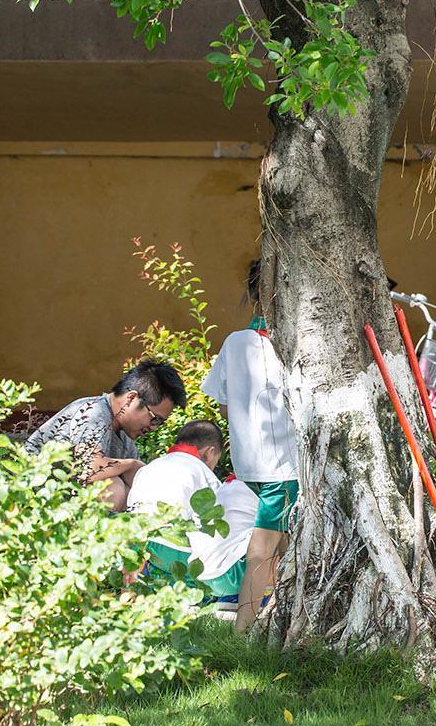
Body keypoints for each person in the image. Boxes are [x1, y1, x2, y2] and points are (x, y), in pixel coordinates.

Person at [202, 260, 301, 631]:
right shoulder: (288, 347)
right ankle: (242, 632)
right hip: (283, 466)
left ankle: (276, 619)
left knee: (284, 543)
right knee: (263, 549)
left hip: (249, 465)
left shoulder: (234, 342)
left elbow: (223, 403)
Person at [24, 358, 186, 511]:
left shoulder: (125, 439)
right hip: (29, 499)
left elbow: (140, 486)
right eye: (154, 418)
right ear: (131, 398)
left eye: (160, 423)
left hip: (62, 503)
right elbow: (89, 469)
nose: (153, 427)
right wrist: (131, 465)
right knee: (112, 488)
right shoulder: (94, 412)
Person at [125, 419, 257, 601]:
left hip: (137, 542)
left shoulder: (150, 467)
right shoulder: (203, 473)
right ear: (210, 452)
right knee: (203, 577)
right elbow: (213, 528)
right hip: (172, 545)